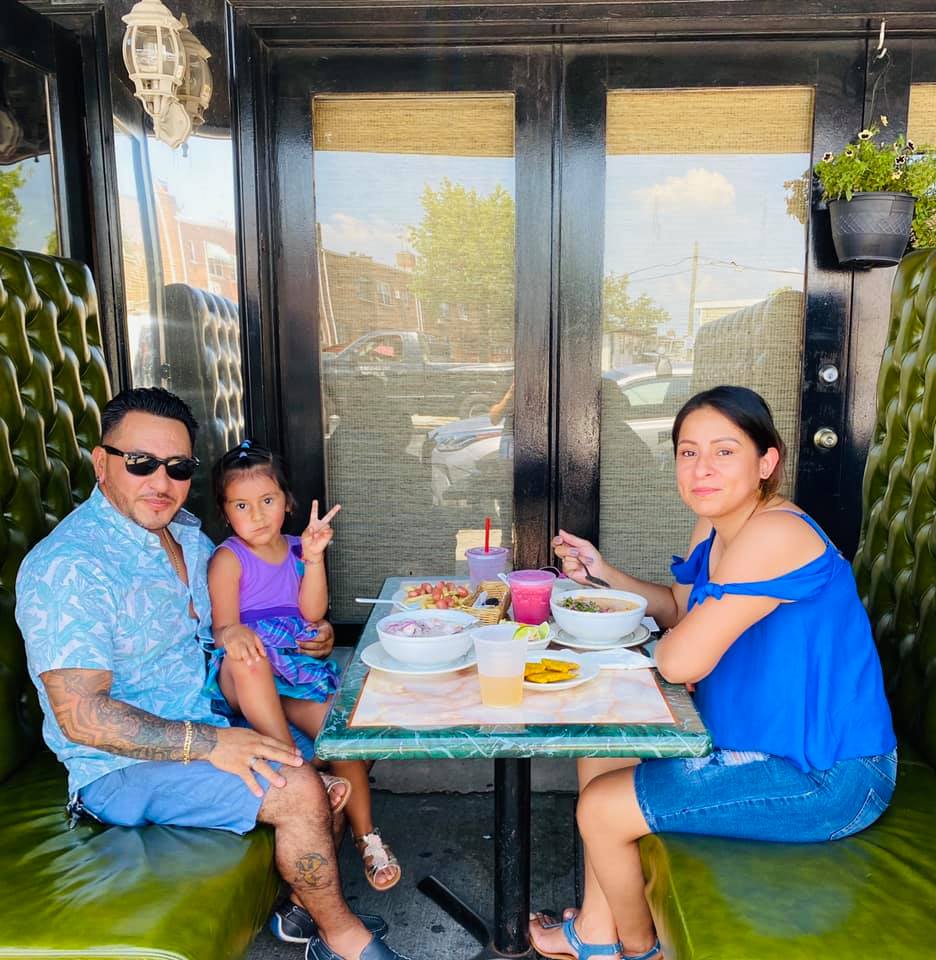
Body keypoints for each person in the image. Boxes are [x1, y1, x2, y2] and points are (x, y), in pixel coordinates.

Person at [15, 387, 413, 960]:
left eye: (177, 467)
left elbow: (242, 622)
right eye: (140, 462)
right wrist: (211, 743)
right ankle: (341, 938)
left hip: (214, 711)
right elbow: (83, 717)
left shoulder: (186, 536)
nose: (161, 482)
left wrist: (316, 634)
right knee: (300, 788)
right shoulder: (70, 566)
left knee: (348, 732)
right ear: (101, 463)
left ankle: (300, 908)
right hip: (124, 766)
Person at [532, 385, 897, 960]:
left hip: (825, 774)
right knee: (601, 751)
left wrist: (683, 649)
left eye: (725, 451)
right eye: (688, 452)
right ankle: (596, 929)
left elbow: (681, 659)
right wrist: (603, 574)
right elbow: (679, 612)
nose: (702, 468)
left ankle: (637, 947)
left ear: (766, 462)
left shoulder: (778, 533)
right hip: (753, 742)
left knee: (601, 809)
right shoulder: (715, 526)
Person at [207, 440, 401, 893]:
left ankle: (367, 837)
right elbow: (223, 629)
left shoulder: (298, 549)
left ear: (287, 502)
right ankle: (298, 772)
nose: (257, 515)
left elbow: (312, 613)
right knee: (248, 655)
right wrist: (235, 635)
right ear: (226, 512)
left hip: (293, 674)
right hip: (244, 674)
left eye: (267, 501)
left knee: (340, 731)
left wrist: (313, 560)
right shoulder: (228, 558)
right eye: (241, 505)